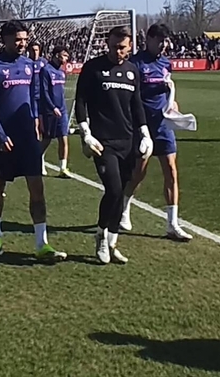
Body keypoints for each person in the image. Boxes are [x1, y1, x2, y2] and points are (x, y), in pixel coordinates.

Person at [0, 20, 66, 261]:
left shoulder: (30, 65)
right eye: (17, 39)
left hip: (27, 137)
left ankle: (42, 243)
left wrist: (36, 123)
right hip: (3, 138)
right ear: (5, 40)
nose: (22, 44)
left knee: (37, 188)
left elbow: (33, 98)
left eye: (25, 39)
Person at [75, 25, 153, 264]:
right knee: (114, 190)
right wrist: (86, 133)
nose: (118, 51)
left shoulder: (132, 71)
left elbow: (136, 104)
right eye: (115, 46)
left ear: (130, 47)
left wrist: (145, 133)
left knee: (123, 191)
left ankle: (112, 243)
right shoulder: (93, 68)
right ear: (107, 44)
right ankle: (101, 234)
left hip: (127, 141)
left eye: (123, 47)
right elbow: (81, 101)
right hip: (103, 141)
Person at [120, 24, 192, 241]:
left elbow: (167, 90)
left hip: (163, 125)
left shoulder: (166, 63)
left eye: (165, 41)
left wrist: (173, 104)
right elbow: (133, 94)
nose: (163, 45)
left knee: (171, 170)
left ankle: (172, 224)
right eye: (160, 41)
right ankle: (124, 207)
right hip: (143, 126)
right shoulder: (135, 63)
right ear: (149, 39)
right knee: (139, 172)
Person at [38, 45, 71, 178]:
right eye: (64, 55)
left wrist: (61, 107)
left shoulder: (62, 72)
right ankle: (38, 159)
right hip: (50, 111)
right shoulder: (46, 70)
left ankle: (63, 168)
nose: (66, 58)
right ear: (57, 55)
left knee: (64, 138)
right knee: (47, 139)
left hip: (62, 110)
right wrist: (52, 107)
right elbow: (44, 92)